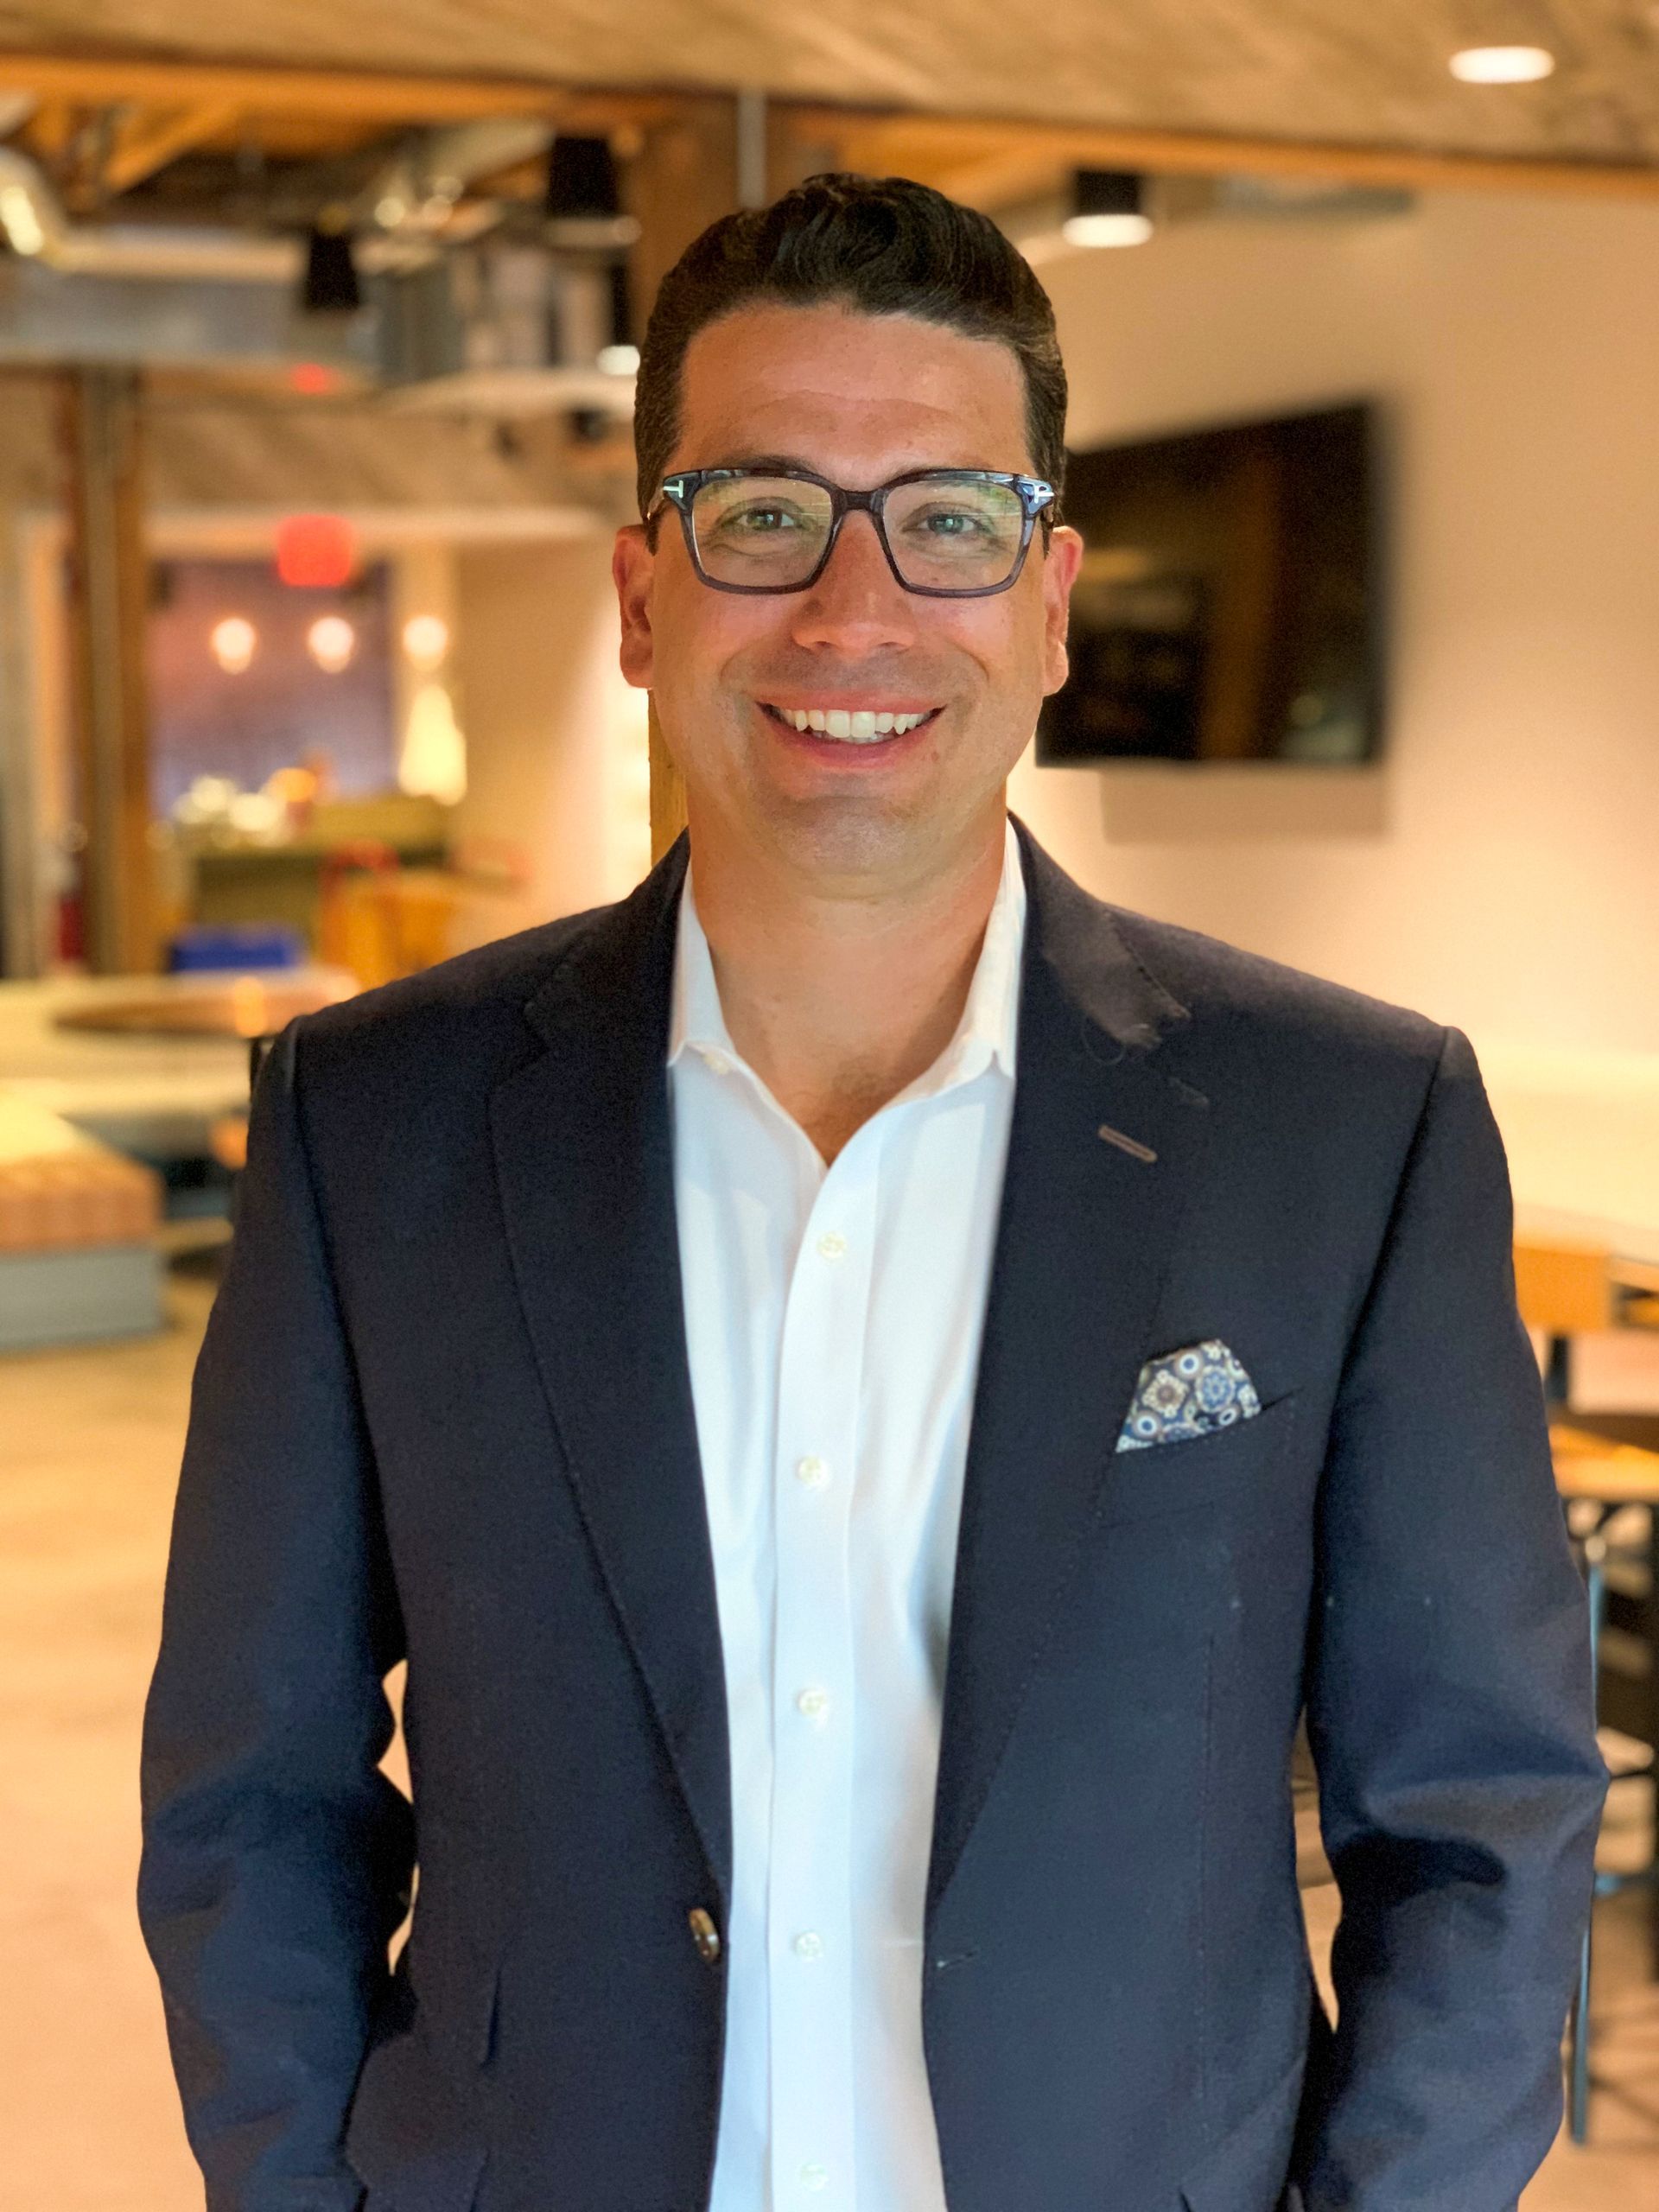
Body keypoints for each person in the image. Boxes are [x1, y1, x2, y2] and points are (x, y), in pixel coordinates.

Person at [140, 174, 1605, 2212]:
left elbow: (1480, 1820)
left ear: (1053, 600)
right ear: (646, 593)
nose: (854, 611)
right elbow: (253, 1798)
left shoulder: (1348, 1128)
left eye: (949, 518)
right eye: (763, 514)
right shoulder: (369, 1123)